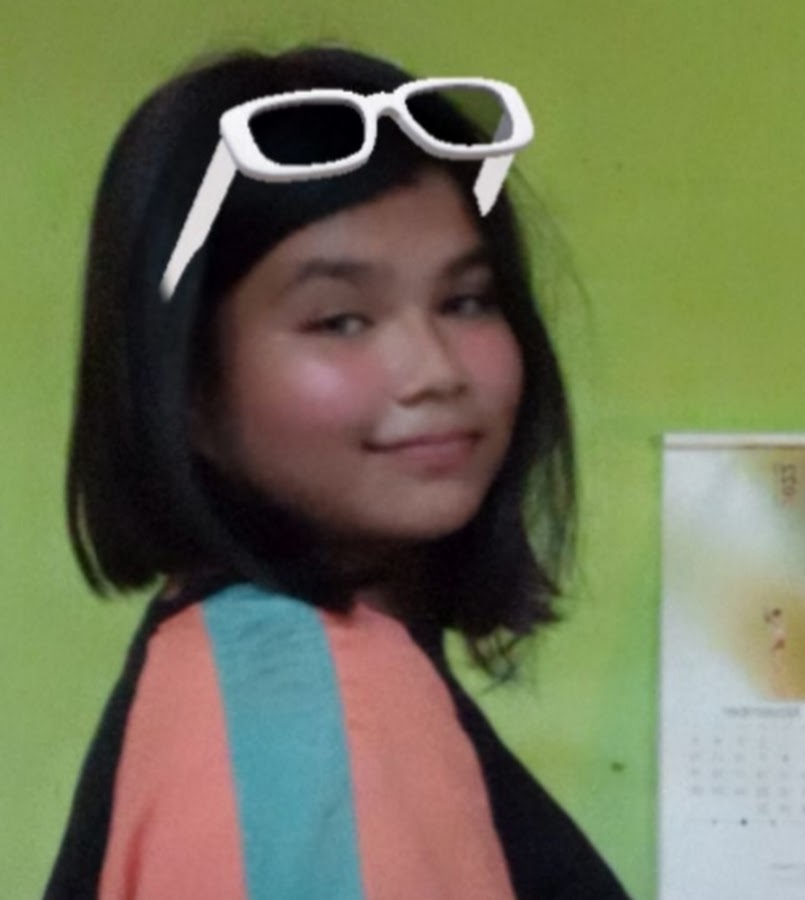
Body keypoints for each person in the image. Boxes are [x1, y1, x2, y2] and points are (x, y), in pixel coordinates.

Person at [45, 44, 629, 899]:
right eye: (341, 320)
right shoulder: (307, 703)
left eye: (466, 301)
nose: (435, 370)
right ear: (188, 387)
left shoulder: (278, 663)